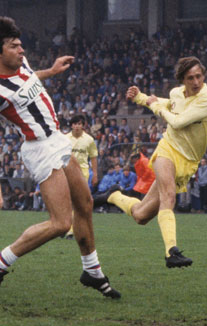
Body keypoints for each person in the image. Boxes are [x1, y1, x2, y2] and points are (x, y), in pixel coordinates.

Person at [0, 16, 119, 298]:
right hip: (39, 148)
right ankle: (3, 261)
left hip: (57, 139)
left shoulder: (22, 66)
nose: (22, 50)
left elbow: (30, 81)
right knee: (60, 223)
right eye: (15, 46)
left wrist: (51, 71)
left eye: (21, 45)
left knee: (85, 204)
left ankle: (92, 271)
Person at [97, 56, 207, 268]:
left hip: (188, 162)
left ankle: (113, 196)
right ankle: (171, 252)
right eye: (190, 78)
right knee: (169, 196)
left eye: (199, 76)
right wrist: (140, 97)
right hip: (168, 149)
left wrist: (155, 106)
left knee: (141, 215)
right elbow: (167, 105)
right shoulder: (176, 93)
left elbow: (178, 120)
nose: (196, 82)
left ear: (204, 75)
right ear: (183, 79)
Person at [63, 113, 99, 239]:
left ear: (83, 126)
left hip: (82, 172)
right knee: (66, 200)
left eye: (79, 124)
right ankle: (65, 226)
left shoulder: (89, 140)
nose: (77, 126)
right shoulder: (65, 138)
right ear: (71, 125)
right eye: (74, 124)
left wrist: (95, 174)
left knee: (77, 200)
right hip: (66, 170)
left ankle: (71, 230)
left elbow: (93, 157)